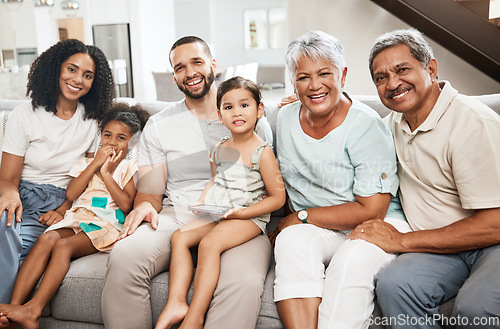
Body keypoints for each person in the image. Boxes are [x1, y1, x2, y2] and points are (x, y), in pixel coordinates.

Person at [101, 36, 274, 329]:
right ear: (174, 76)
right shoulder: (159, 124)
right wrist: (143, 206)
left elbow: (268, 187)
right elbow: (151, 193)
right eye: (180, 67)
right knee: (125, 255)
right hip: (179, 214)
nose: (190, 72)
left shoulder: (246, 113)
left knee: (242, 282)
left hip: (241, 217)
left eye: (196, 62)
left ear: (212, 65)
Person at [349, 29, 500, 328]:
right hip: (439, 247)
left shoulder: (474, 123)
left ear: (430, 69)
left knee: (475, 309)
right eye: (381, 78)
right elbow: (343, 137)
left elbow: (494, 224)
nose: (392, 84)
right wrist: (307, 107)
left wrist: (402, 240)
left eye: (402, 69)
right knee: (395, 285)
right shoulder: (386, 127)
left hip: (493, 242)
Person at [269, 30, 411, 329]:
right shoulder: (283, 118)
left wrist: (301, 216)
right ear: (293, 82)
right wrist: (291, 221)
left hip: (374, 222)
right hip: (320, 226)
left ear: (342, 74)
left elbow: (373, 210)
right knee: (291, 241)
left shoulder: (365, 125)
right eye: (303, 77)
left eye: (324, 73)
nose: (314, 85)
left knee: (348, 265)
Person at [0, 103, 149, 329]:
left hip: (105, 224)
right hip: (78, 218)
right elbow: (71, 193)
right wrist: (96, 164)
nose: (112, 142)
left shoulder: (129, 168)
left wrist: (107, 173)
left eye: (121, 138)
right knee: (46, 239)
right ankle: (14, 307)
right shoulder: (87, 164)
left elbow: (127, 204)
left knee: (63, 247)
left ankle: (34, 310)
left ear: (133, 143)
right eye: (107, 135)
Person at [155, 76, 285, 329]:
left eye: (244, 105)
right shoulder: (218, 148)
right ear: (219, 114)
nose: (237, 112)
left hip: (248, 217)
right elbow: (215, 180)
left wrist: (241, 213)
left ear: (259, 110)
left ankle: (195, 316)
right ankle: (176, 302)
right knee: (179, 237)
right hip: (218, 212)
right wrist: (203, 201)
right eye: (228, 107)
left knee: (209, 244)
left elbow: (278, 198)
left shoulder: (263, 152)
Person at [0, 39, 114, 306]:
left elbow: (86, 180)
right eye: (71, 69)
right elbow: (7, 178)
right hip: (20, 196)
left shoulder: (93, 121)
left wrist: (63, 209)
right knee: (5, 225)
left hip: (59, 202)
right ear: (55, 69)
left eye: (87, 75)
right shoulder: (24, 114)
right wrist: (9, 195)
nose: (78, 80)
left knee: (14, 244)